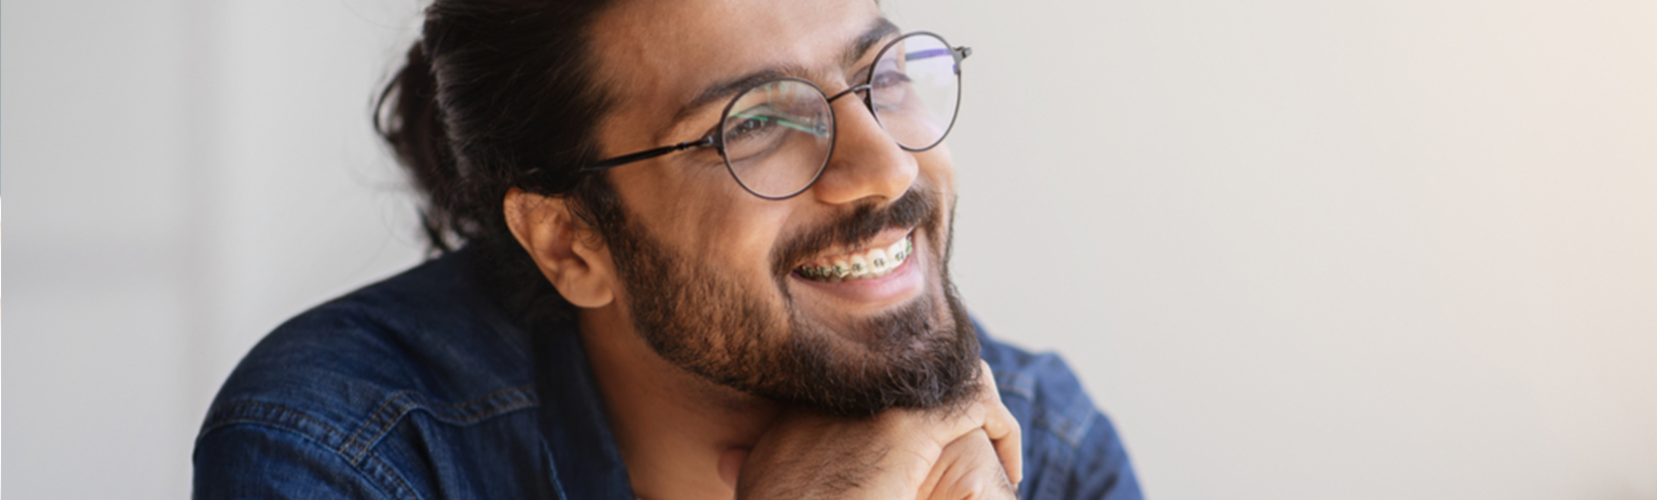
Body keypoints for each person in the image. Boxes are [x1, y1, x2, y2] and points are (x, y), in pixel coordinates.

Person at [191, 0, 1142, 498]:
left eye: (879, 75)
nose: (887, 171)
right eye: (758, 122)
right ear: (571, 244)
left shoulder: (1042, 446)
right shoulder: (346, 450)